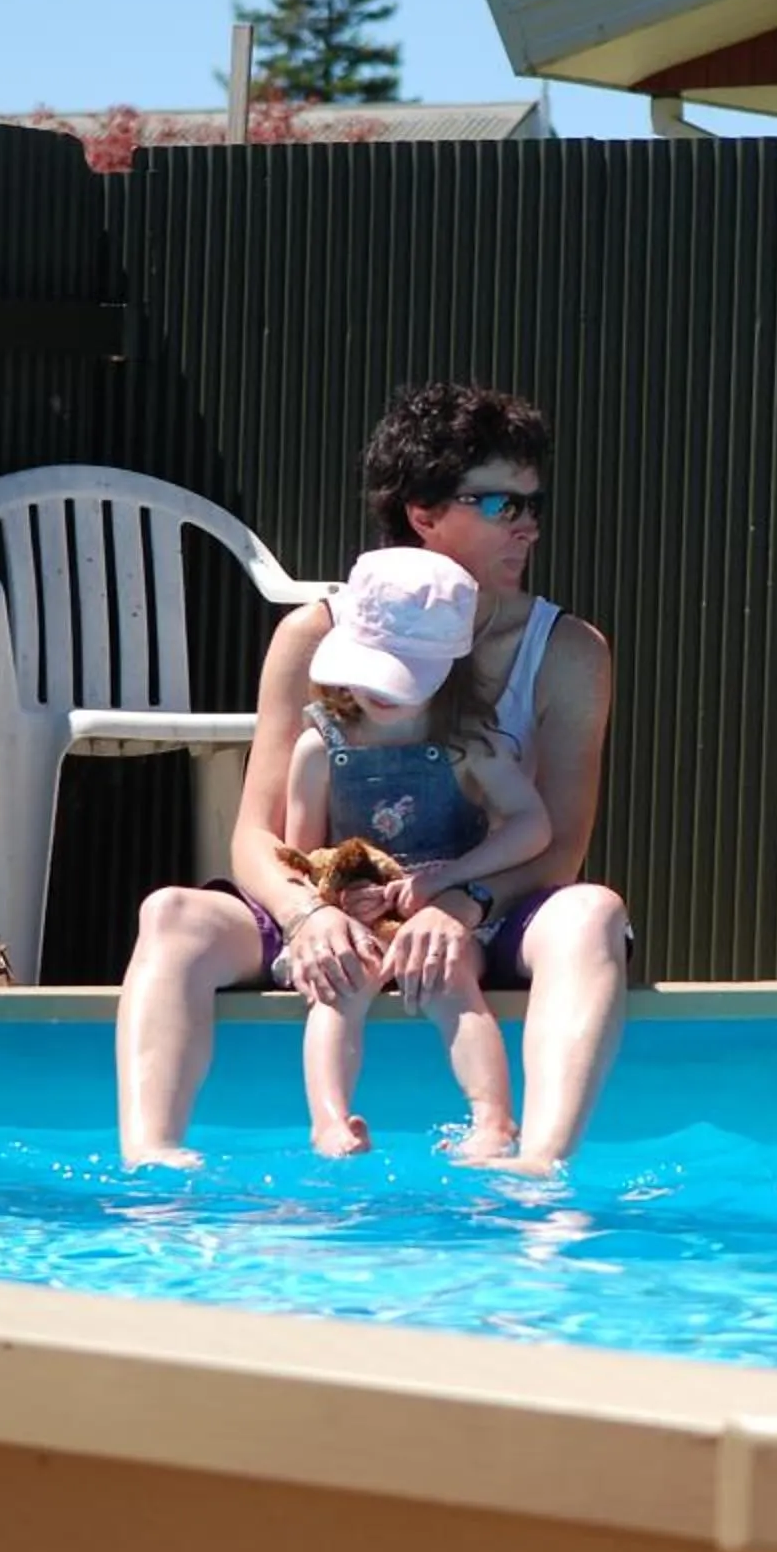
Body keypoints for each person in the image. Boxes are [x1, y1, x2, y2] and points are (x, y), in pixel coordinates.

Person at [113, 382, 630, 1171]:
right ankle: (150, 1161)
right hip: (334, 903)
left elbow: (556, 849)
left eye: (534, 503)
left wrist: (458, 901)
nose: (528, 524)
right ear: (424, 515)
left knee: (593, 914)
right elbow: (257, 835)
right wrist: (306, 916)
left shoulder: (566, 653)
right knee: (170, 915)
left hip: (483, 910)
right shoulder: (314, 640)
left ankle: (538, 1163)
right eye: (500, 504)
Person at [279, 546, 552, 1158]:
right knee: (338, 985)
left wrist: (450, 879)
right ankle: (330, 1121)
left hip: (444, 922)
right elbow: (300, 860)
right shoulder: (319, 747)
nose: (379, 689)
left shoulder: (468, 747)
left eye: (400, 672)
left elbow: (532, 828)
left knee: (447, 975)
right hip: (359, 923)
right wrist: (339, 900)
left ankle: (492, 1120)